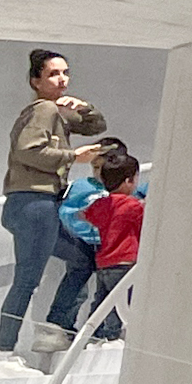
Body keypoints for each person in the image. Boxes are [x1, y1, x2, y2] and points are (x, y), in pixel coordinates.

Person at [0, 50, 107, 359]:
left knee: (84, 258)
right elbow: (27, 151)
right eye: (54, 74)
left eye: (65, 72)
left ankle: (55, 328)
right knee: (27, 280)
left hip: (40, 204)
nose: (63, 79)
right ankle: (3, 352)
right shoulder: (43, 109)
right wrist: (74, 157)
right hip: (35, 203)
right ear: (36, 81)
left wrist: (81, 105)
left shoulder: (55, 110)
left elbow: (96, 124)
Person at [72, 145, 145, 340]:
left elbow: (83, 214)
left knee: (101, 300)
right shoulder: (132, 205)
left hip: (103, 262)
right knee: (120, 302)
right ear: (129, 180)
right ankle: (112, 336)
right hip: (125, 262)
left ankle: (91, 334)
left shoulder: (100, 204)